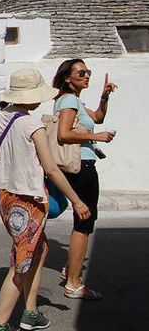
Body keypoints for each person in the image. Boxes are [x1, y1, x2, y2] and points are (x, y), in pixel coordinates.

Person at [0, 68, 92, 331]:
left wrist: (5, 141)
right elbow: (51, 168)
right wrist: (76, 200)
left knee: (39, 251)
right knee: (22, 264)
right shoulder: (32, 124)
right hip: (28, 199)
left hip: (6, 196)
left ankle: (30, 312)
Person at [52, 59, 117, 300]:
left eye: (88, 71)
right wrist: (96, 137)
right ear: (68, 78)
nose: (86, 75)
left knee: (83, 221)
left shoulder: (74, 100)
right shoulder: (69, 100)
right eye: (81, 72)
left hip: (80, 165)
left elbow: (98, 117)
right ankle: (74, 283)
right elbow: (64, 133)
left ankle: (71, 270)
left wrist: (104, 97)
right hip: (82, 166)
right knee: (84, 224)